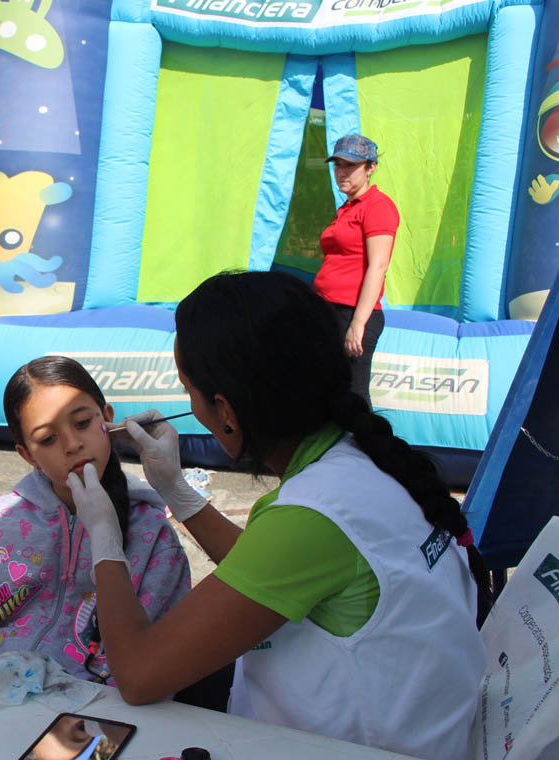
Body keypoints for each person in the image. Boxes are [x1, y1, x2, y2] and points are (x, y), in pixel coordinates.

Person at [68, 271, 489, 760]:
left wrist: (104, 535)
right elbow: (268, 574)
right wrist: (177, 492)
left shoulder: (312, 515)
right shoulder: (368, 458)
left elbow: (139, 675)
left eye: (189, 390)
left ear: (226, 410)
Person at [0, 356, 191, 684]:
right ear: (27, 454)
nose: (72, 445)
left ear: (108, 419)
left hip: (103, 707)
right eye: (47, 439)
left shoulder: (152, 534)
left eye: (82, 423)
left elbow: (158, 659)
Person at [313, 134, 399, 407]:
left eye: (351, 165)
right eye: (338, 165)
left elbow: (378, 266)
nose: (342, 172)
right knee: (328, 389)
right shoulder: (348, 208)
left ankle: (366, 437)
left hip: (352, 313)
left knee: (354, 395)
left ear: (370, 167)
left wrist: (358, 324)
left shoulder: (377, 205)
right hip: (330, 311)